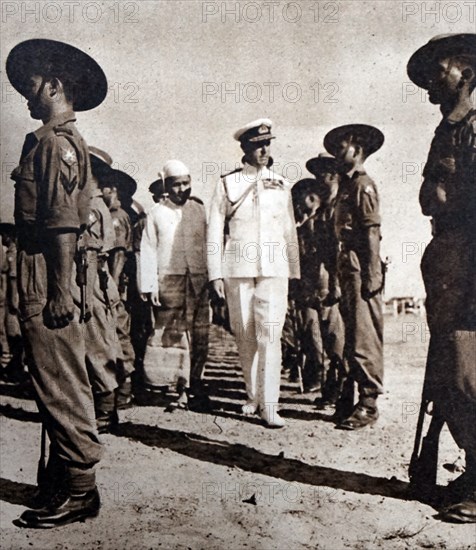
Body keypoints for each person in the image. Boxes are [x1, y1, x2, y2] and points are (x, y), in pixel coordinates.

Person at [6, 38, 107, 528]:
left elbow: (63, 223)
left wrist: (61, 290)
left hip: (49, 275)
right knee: (49, 381)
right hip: (43, 273)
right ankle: (57, 482)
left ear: (54, 83)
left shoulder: (55, 145)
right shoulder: (46, 141)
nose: (25, 93)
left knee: (62, 383)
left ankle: (81, 492)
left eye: (30, 83)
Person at [407, 33, 476, 523]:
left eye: (440, 71)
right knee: (447, 371)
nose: (432, 82)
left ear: (467, 73)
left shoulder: (473, 129)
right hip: (447, 259)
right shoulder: (446, 131)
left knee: (467, 370)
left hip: (470, 258)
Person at [207, 119, 300, 428]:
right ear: (245, 148)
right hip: (238, 268)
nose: (264, 149)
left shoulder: (281, 183)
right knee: (245, 335)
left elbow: (289, 232)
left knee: (270, 335)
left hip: (274, 269)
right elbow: (214, 231)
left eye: (268, 144)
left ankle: (270, 405)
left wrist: (294, 271)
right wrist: (215, 275)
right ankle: (253, 396)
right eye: (258, 145)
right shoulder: (227, 183)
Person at [324, 124, 385, 430]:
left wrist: (373, 273)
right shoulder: (345, 187)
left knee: (364, 336)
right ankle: (350, 397)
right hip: (347, 263)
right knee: (350, 335)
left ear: (358, 149)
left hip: (362, 264)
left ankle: (369, 402)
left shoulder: (364, 185)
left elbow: (372, 232)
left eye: (342, 147)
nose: (337, 153)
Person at [140, 160, 209, 409]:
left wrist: (213, 277)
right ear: (166, 186)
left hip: (198, 280)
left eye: (186, 183)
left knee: (199, 335)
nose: (182, 189)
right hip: (169, 279)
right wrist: (149, 286)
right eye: (176, 185)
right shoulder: (156, 213)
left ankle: (194, 385)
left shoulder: (198, 210)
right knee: (173, 336)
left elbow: (209, 245)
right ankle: (175, 387)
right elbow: (148, 249)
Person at [302, 154, 346, 405]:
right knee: (313, 335)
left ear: (335, 175)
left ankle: (337, 388)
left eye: (327, 173)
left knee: (334, 337)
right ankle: (327, 386)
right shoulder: (317, 211)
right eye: (318, 174)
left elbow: (337, 253)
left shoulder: (340, 207)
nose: (322, 178)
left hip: (332, 283)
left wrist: (336, 285)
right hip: (313, 283)